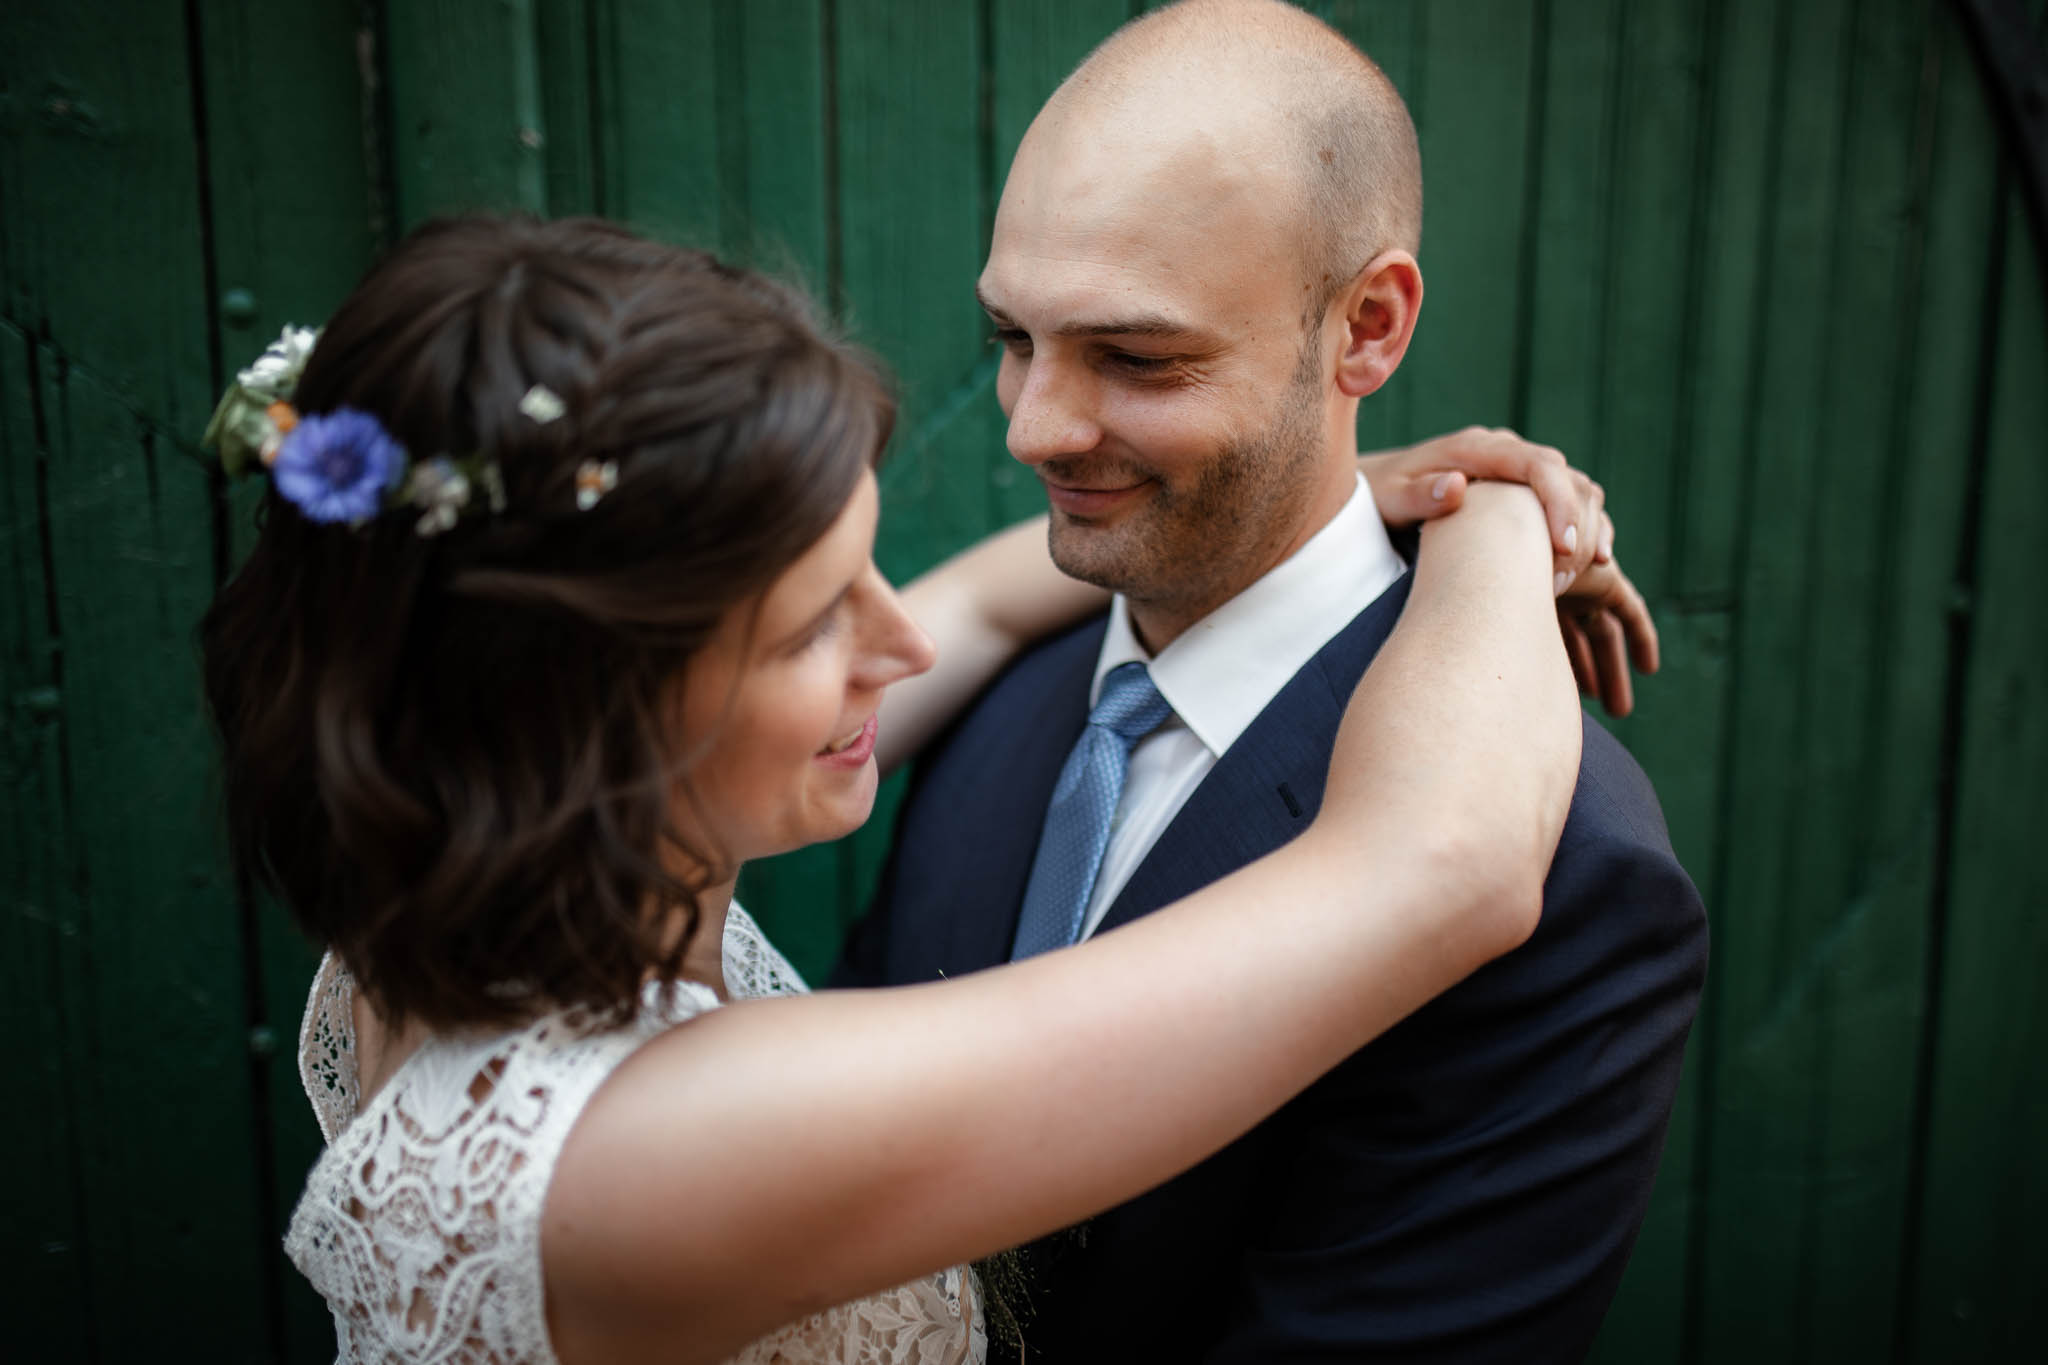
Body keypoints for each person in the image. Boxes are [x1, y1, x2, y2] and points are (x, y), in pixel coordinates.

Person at [200, 212, 1603, 1365]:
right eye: (817, 622)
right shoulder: (660, 1156)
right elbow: (1443, 864)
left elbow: (987, 609)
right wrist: (1504, 512)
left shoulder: (456, 892)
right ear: (581, 703)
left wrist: (1334, 505)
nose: (905, 639)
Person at [835, 2, 1710, 1361]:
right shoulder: (996, 688)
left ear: (1368, 326)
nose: (1032, 426)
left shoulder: (1576, 874)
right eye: (1015, 336)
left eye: (1136, 356)